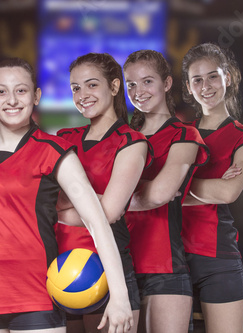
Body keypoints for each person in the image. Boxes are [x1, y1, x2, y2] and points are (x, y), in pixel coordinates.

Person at [0, 58, 134, 333]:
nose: (11, 100)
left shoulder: (55, 151)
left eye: (21, 90)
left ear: (36, 96)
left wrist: (120, 297)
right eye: (1, 91)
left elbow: (98, 222)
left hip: (36, 296)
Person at [54, 53, 151, 333]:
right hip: (60, 270)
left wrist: (60, 205)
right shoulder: (63, 138)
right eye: (75, 88)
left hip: (108, 270)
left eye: (91, 85)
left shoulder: (131, 142)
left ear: (114, 86)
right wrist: (92, 200)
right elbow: (41, 202)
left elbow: (107, 214)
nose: (82, 94)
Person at [180, 43, 243, 333]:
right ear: (188, 88)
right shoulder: (177, 134)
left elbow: (228, 193)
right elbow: (149, 192)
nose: (206, 86)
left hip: (218, 258)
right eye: (197, 80)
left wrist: (175, 189)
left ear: (227, 77)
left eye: (213, 76)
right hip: (170, 256)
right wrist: (207, 188)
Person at [122, 50, 208, 333]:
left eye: (147, 81)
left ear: (167, 83)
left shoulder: (184, 135)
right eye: (131, 84)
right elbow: (153, 192)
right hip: (117, 264)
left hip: (165, 267)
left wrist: (109, 198)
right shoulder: (122, 137)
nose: (138, 91)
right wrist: (144, 192)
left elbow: (160, 193)